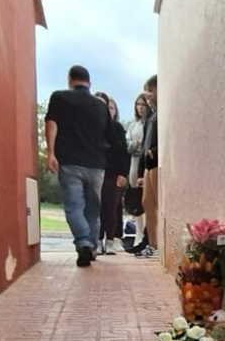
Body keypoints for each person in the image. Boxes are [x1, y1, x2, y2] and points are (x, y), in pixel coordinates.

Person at [45, 65, 110, 267]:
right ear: (88, 83)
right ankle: (91, 246)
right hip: (96, 164)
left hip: (70, 162)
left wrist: (51, 152)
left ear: (69, 79)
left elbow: (51, 124)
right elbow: (108, 135)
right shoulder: (100, 106)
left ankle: (83, 241)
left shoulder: (59, 98)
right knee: (93, 209)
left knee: (74, 206)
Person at [93, 93, 129, 254]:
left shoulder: (116, 128)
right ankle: (98, 240)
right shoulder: (89, 128)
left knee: (111, 207)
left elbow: (123, 152)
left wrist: (123, 173)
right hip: (94, 171)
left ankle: (110, 240)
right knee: (96, 208)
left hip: (113, 173)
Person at [134, 75, 159, 258]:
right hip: (148, 165)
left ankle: (158, 245)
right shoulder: (152, 114)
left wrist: (155, 151)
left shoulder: (162, 113)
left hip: (157, 162)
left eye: (151, 90)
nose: (147, 94)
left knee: (158, 203)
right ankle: (153, 245)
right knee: (147, 203)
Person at [124, 93, 150, 249]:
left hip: (146, 163)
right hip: (134, 163)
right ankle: (138, 235)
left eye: (143, 104)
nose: (140, 107)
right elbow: (127, 145)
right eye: (138, 104)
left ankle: (147, 235)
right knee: (137, 201)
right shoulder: (133, 125)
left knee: (148, 200)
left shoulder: (151, 123)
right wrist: (136, 144)